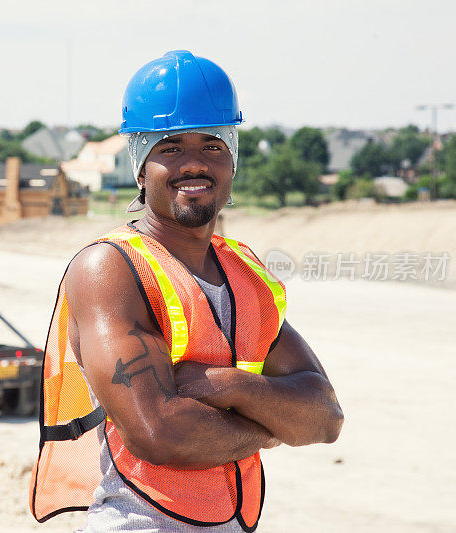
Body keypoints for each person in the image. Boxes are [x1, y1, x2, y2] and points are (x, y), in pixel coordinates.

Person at [30, 50, 343, 532]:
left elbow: (324, 416)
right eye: (171, 147)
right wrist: (272, 424)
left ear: (232, 160)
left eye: (213, 146)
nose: (194, 164)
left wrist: (226, 385)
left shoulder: (244, 275)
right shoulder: (110, 269)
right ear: (140, 166)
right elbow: (161, 433)